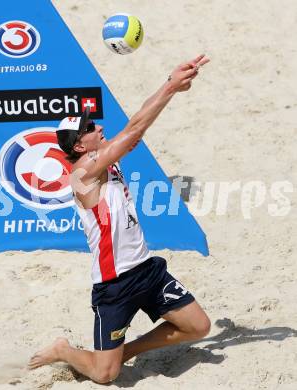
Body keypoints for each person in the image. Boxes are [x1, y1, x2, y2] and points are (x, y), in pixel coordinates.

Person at [28, 54, 211, 383]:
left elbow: (136, 120)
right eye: (89, 128)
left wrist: (169, 84)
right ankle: (64, 350)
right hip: (114, 286)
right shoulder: (83, 173)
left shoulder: (105, 156)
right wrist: (170, 86)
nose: (98, 126)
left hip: (145, 269)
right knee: (104, 375)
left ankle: (126, 350)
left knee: (199, 326)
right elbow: (136, 128)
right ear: (81, 146)